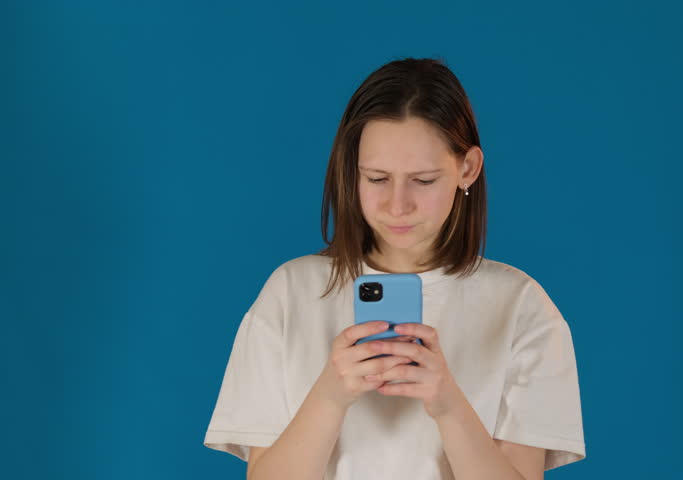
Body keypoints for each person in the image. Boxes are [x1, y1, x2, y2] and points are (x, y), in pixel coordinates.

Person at [202, 57, 586, 479]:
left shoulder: (521, 307)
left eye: (423, 180)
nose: (397, 205)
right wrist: (330, 396)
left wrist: (449, 406)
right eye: (377, 178)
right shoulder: (291, 292)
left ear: (467, 168)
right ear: (352, 172)